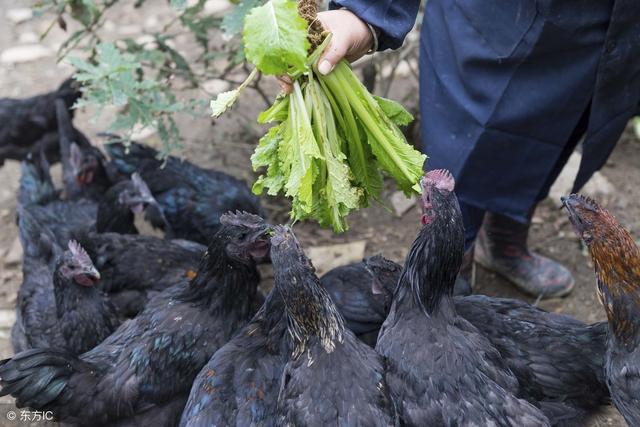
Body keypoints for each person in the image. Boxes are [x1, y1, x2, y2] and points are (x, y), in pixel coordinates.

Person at [299, 1, 640, 298]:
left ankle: (504, 238)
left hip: (603, 27)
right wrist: (367, 12)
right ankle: (447, 267)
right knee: (462, 155)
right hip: (497, 20)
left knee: (555, 132)